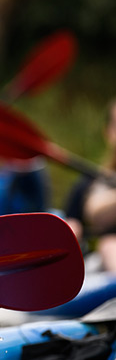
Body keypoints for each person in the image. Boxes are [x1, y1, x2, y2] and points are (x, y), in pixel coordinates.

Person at [64, 97, 116, 271]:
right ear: (108, 132)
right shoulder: (89, 182)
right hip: (102, 265)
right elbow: (92, 214)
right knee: (109, 246)